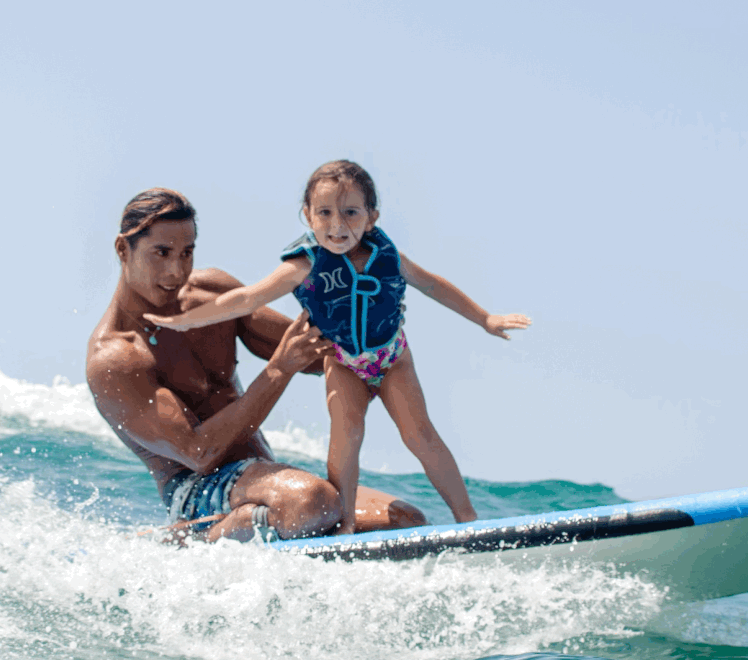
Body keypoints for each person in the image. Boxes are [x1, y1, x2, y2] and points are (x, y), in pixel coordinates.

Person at [145, 161, 531, 534]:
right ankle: (344, 523)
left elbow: (432, 285)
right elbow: (245, 298)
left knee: (420, 436)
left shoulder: (388, 256)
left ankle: (467, 518)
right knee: (347, 438)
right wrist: (184, 321)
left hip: (392, 358)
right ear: (308, 216)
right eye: (325, 213)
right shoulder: (304, 264)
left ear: (372, 217)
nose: (337, 225)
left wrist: (485, 319)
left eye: (350, 213)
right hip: (344, 362)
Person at [85, 187, 428, 543]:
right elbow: (199, 453)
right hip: (198, 493)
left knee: (405, 521)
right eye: (162, 253)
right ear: (123, 249)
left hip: (267, 482)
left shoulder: (211, 295)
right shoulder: (115, 358)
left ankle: (280, 518)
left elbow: (318, 352)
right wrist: (279, 370)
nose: (176, 270)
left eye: (187, 253)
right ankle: (189, 543)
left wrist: (368, 322)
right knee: (313, 502)